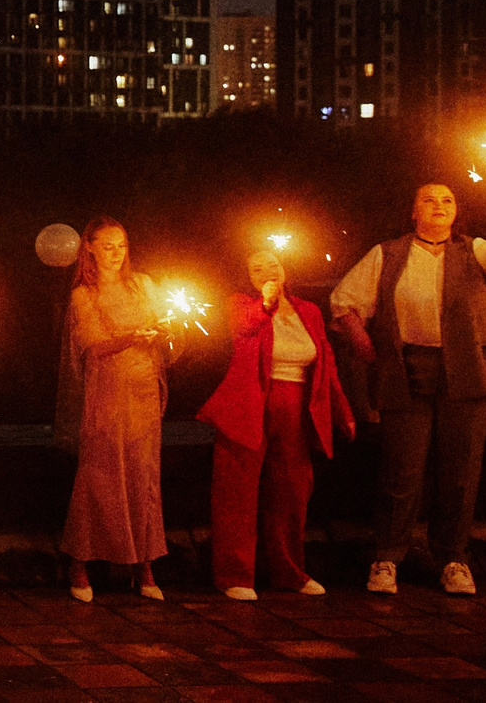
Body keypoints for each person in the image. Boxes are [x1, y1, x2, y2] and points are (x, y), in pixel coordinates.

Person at [330, 181, 486, 595]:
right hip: (407, 367)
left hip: (469, 369)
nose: (438, 206)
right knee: (401, 468)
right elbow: (344, 301)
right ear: (413, 210)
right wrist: (367, 345)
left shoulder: (475, 249)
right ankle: (387, 557)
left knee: (461, 469)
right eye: (429, 199)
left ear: (456, 211)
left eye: (447, 201)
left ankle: (453, 558)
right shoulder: (388, 253)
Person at [196, 242, 353, 600]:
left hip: (296, 407)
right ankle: (234, 574)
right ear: (246, 278)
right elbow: (247, 325)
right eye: (257, 269)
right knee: (237, 492)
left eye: (274, 265)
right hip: (250, 406)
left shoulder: (309, 311)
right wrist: (266, 304)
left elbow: (327, 364)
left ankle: (289, 572)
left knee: (292, 492)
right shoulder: (240, 306)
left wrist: (343, 411)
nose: (268, 273)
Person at [55, 217, 185, 602]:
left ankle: (143, 564)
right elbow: (93, 345)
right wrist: (131, 337)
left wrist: (169, 331)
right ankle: (80, 562)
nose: (115, 253)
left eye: (122, 245)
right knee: (100, 476)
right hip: (106, 393)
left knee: (144, 476)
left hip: (144, 390)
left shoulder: (144, 285)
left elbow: (171, 332)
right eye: (107, 245)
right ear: (90, 248)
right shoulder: (84, 295)